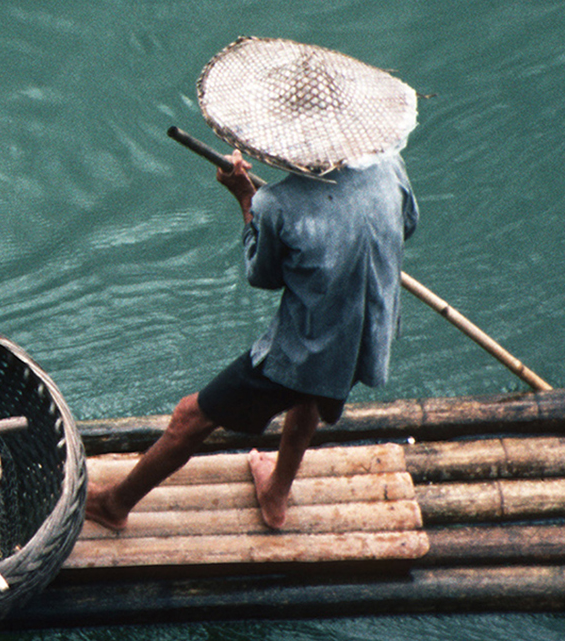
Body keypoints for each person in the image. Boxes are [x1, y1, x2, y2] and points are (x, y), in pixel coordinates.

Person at [85, 145, 419, 532]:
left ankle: (114, 505)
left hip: (307, 347)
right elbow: (406, 225)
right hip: (369, 330)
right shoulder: (387, 163)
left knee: (190, 416)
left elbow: (262, 274)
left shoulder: (278, 202)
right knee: (311, 392)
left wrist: (246, 197)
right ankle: (276, 493)